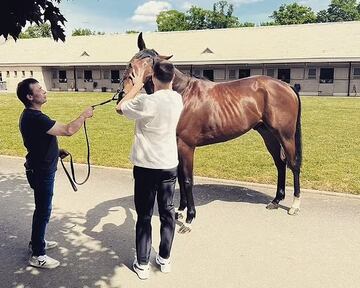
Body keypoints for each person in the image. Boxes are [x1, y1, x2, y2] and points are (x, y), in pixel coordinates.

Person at [116, 60, 183, 280]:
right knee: (167, 212)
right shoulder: (177, 99)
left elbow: (120, 108)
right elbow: (165, 91)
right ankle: (164, 259)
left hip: (146, 166)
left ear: (153, 78)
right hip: (169, 165)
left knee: (144, 216)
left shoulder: (145, 101)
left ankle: (143, 263)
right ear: (172, 78)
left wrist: (135, 86)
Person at [17, 78, 93, 269]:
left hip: (39, 168)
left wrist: (56, 151)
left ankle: (37, 242)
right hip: (41, 171)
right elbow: (67, 130)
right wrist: (83, 116)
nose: (44, 91)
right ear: (29, 96)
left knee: (41, 210)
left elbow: (38, 140)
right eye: (39, 89)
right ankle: (38, 255)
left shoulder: (31, 115)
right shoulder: (36, 117)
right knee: (43, 211)